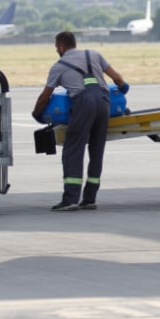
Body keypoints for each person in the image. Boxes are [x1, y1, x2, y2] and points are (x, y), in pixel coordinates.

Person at [32, 31, 128, 211]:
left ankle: (70, 199)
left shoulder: (58, 66)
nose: (56, 51)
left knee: (73, 150)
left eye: (56, 47)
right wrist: (124, 89)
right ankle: (90, 198)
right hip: (104, 102)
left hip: (83, 103)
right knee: (97, 150)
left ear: (61, 47)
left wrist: (37, 114)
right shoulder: (94, 54)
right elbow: (117, 79)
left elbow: (45, 97)